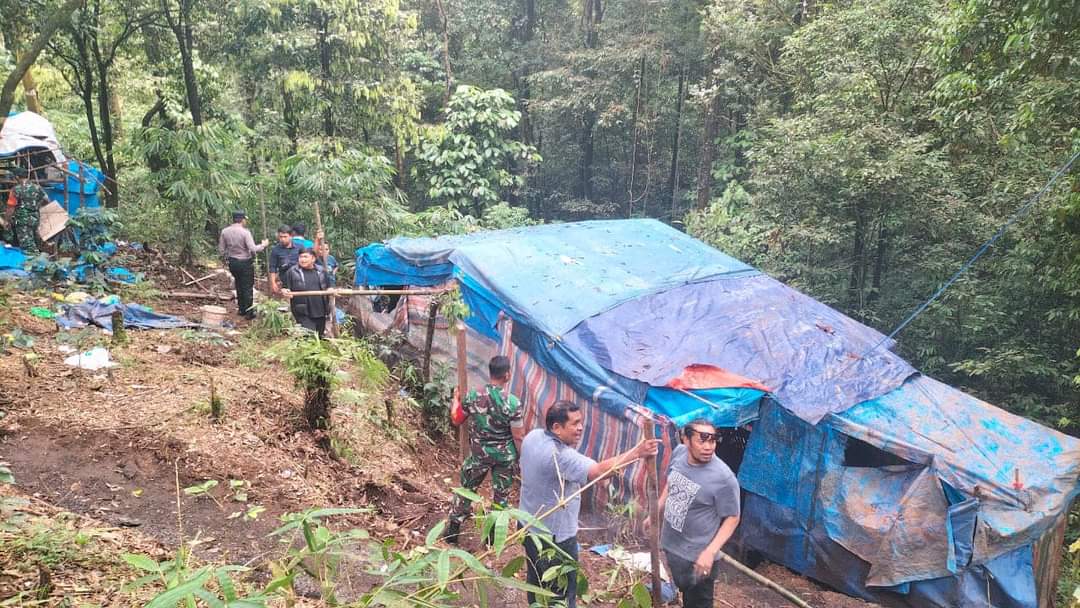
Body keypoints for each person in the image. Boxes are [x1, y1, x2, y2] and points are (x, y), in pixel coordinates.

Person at [518, 400, 660, 608]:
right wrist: (637, 452)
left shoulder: (533, 437)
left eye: (581, 422)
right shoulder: (560, 456)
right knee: (562, 592)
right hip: (554, 538)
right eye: (574, 423)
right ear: (556, 427)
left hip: (528, 525)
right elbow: (599, 472)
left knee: (536, 579)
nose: (580, 428)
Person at [655, 419, 741, 608]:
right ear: (686, 439)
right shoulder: (679, 453)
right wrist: (657, 509)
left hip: (698, 558)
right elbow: (671, 482)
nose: (708, 447)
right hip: (672, 546)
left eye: (712, 441)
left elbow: (733, 517)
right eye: (702, 440)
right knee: (682, 592)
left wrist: (709, 552)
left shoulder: (723, 478)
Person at [443, 355, 525, 544]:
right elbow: (518, 436)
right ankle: (491, 538)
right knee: (501, 496)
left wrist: (456, 400)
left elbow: (456, 419)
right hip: (505, 457)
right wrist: (521, 458)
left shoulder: (473, 396)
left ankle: (453, 530)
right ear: (507, 375)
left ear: (491, 373)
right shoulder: (513, 403)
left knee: (467, 489)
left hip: (480, 454)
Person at [218, 210, 268, 319]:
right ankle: (249, 312)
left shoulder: (225, 231)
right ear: (242, 220)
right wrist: (263, 245)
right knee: (247, 287)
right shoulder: (245, 232)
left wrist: (229, 256)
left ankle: (241, 309)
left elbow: (221, 249)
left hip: (233, 262)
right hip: (245, 262)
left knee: (239, 285)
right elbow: (252, 248)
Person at [281, 248, 330, 337]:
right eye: (300, 257)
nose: (302, 259)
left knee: (320, 337)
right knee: (309, 337)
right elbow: (285, 288)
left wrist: (331, 290)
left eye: (305, 257)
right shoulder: (292, 272)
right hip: (302, 311)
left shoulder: (322, 271)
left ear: (313, 258)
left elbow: (329, 286)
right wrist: (285, 291)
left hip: (321, 311)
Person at [5, 166, 46, 255]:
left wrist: (7, 221)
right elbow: (45, 200)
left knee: (27, 245)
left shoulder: (16, 190)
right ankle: (39, 257)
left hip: (22, 220)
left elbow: (10, 207)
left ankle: (35, 262)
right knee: (35, 240)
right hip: (35, 218)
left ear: (17, 177)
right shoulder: (37, 187)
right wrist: (36, 206)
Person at [268, 225, 299, 295]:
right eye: (280, 237)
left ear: (291, 236)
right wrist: (273, 283)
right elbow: (272, 267)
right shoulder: (275, 250)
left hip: (299, 279)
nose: (282, 239)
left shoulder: (299, 248)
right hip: (284, 281)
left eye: (285, 237)